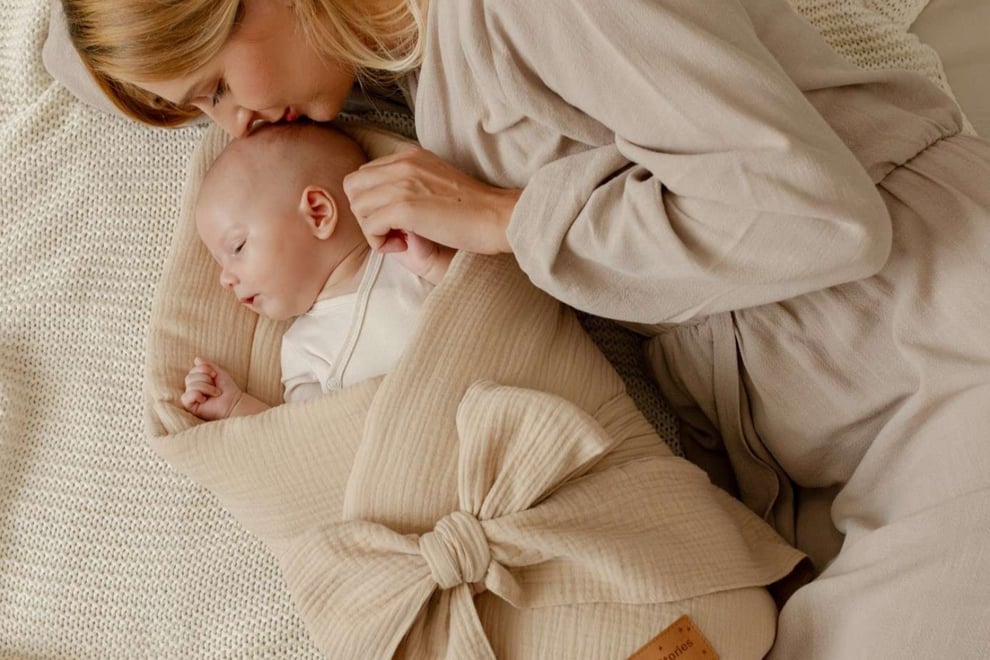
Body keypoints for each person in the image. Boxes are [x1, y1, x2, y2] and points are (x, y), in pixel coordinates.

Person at [63, 0, 990, 656]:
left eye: (218, 88)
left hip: (937, 330)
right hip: (811, 443)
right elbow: (67, 48)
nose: (237, 127)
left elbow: (819, 217)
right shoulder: (390, 66)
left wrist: (504, 217)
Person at [179, 120, 452, 420]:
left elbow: (489, 297)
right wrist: (236, 408)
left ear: (318, 214)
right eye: (220, 263)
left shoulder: (408, 250)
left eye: (238, 247)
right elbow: (305, 442)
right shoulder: (303, 350)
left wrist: (435, 264)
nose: (224, 278)